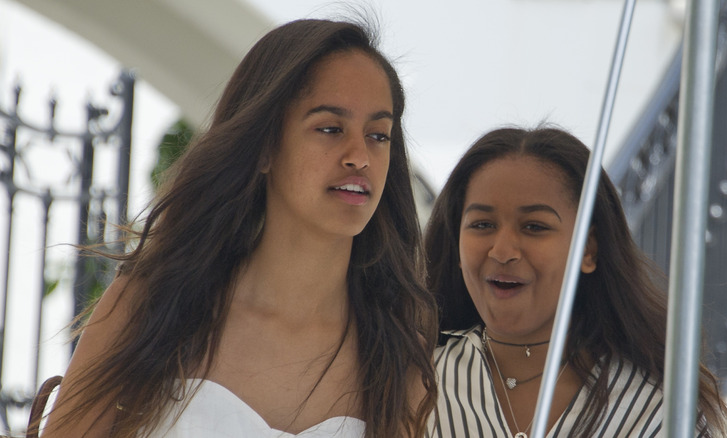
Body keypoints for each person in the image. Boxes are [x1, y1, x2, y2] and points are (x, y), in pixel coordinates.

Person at [38, 18, 438, 438]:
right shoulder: (151, 306)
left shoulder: (397, 350)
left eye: (378, 135)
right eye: (330, 129)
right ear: (264, 147)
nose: (360, 156)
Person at [424, 127, 727, 437]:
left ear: (589, 249)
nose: (503, 251)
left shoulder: (656, 410)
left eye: (534, 226)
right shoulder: (413, 385)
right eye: (482, 224)